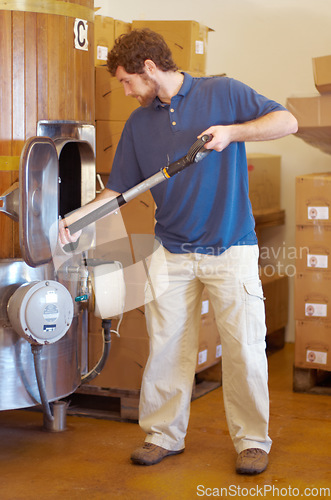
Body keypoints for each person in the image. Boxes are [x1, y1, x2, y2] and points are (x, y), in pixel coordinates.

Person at [60, 28, 298, 474]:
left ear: (149, 69)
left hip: (230, 247)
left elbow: (288, 121)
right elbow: (117, 191)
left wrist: (233, 132)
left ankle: (252, 441)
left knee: (244, 348)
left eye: (127, 81)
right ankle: (163, 434)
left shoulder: (223, 92)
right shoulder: (138, 124)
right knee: (167, 347)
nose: (126, 91)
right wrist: (76, 220)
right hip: (171, 249)